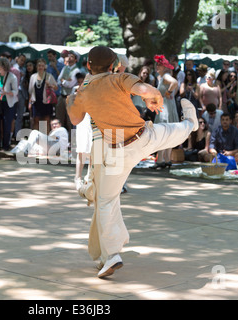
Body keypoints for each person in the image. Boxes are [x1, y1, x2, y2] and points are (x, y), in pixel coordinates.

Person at [66, 45, 198, 279]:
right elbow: (147, 90)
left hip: (116, 149)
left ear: (88, 66)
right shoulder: (119, 78)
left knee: (105, 202)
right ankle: (191, 123)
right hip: (139, 139)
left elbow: (76, 118)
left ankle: (113, 255)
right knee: (174, 131)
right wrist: (153, 99)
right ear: (112, 66)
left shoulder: (84, 91)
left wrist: (70, 101)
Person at [151, 54, 179, 169]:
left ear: (165, 67)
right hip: (167, 108)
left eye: (160, 65)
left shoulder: (166, 76)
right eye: (157, 64)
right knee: (167, 134)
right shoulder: (162, 77)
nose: (157, 66)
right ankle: (166, 159)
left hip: (165, 110)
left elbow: (175, 83)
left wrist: (168, 92)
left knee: (162, 133)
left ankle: (161, 160)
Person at [0, 57, 18, 151]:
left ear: (4, 65)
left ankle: (6, 145)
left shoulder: (12, 77)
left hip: (8, 103)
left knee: (7, 124)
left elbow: (15, 91)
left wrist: (7, 93)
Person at [28, 58, 58, 132]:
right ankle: (35, 140)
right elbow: (30, 91)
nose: (40, 67)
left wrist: (50, 85)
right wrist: (29, 103)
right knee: (36, 121)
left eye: (42, 66)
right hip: (36, 102)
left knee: (46, 121)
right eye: (39, 66)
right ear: (36, 67)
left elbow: (56, 87)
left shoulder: (49, 76)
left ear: (45, 67)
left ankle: (45, 140)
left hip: (46, 102)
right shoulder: (33, 77)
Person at [56, 50, 80, 133]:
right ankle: (60, 138)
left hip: (70, 97)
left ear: (76, 59)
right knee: (59, 118)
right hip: (62, 95)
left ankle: (72, 141)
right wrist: (64, 81)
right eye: (68, 56)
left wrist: (63, 81)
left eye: (72, 56)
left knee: (70, 120)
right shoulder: (65, 67)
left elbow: (69, 84)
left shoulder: (76, 70)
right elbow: (58, 80)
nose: (69, 58)